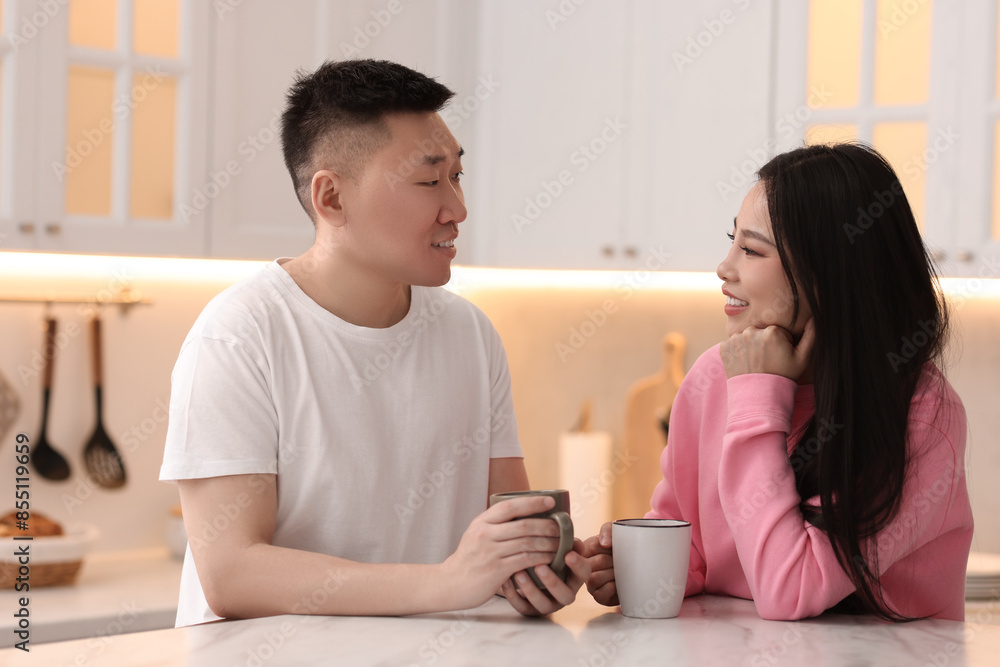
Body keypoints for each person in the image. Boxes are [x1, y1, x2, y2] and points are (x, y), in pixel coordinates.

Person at [159, 59, 589, 626]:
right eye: (429, 181)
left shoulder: (470, 334)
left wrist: (538, 574)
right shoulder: (239, 336)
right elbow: (232, 575)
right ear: (332, 198)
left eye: (457, 176)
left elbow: (505, 533)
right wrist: (447, 582)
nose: (457, 209)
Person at [583, 143, 973, 622]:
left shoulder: (922, 414)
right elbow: (697, 548)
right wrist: (637, 565)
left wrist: (758, 394)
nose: (724, 269)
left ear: (827, 275)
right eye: (732, 242)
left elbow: (791, 589)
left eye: (750, 250)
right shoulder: (712, 377)